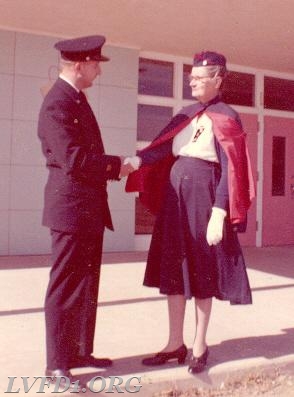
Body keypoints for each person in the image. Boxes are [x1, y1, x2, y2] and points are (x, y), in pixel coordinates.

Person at [125, 51, 255, 374]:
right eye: (191, 77)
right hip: (175, 197)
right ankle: (174, 343)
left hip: (203, 196)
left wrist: (219, 211)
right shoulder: (183, 114)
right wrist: (139, 161)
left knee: (201, 271)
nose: (192, 81)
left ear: (218, 80)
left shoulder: (229, 116)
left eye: (199, 77)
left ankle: (199, 344)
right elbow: (160, 146)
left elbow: (231, 169)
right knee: (173, 268)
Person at [38, 35, 132, 388]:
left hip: (87, 209)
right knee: (64, 287)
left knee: (87, 283)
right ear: (79, 65)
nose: (98, 71)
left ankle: (78, 351)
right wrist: (116, 165)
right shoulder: (56, 104)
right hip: (70, 210)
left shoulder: (75, 98)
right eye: (95, 64)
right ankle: (56, 365)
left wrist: (113, 166)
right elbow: (73, 159)